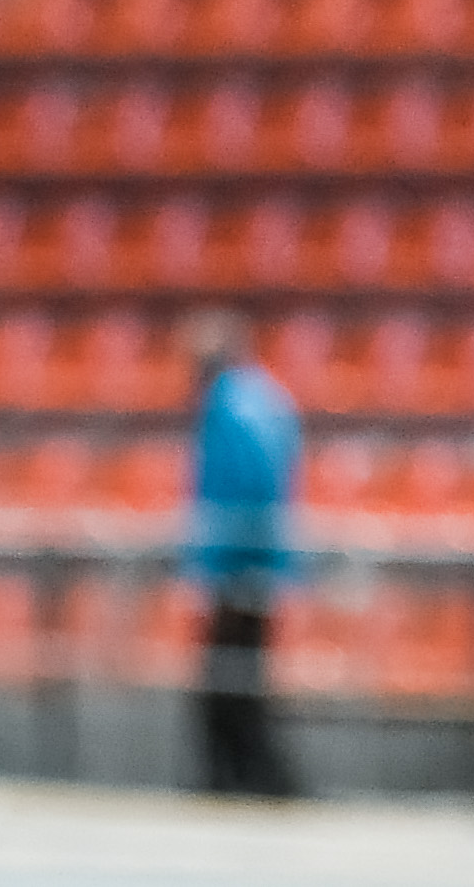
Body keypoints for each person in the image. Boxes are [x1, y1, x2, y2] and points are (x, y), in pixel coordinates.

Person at [184, 311, 304, 798]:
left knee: (230, 684)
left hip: (239, 569)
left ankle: (244, 781)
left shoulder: (231, 404)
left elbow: (242, 487)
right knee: (242, 681)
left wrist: (216, 564)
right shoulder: (266, 397)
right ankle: (251, 780)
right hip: (258, 564)